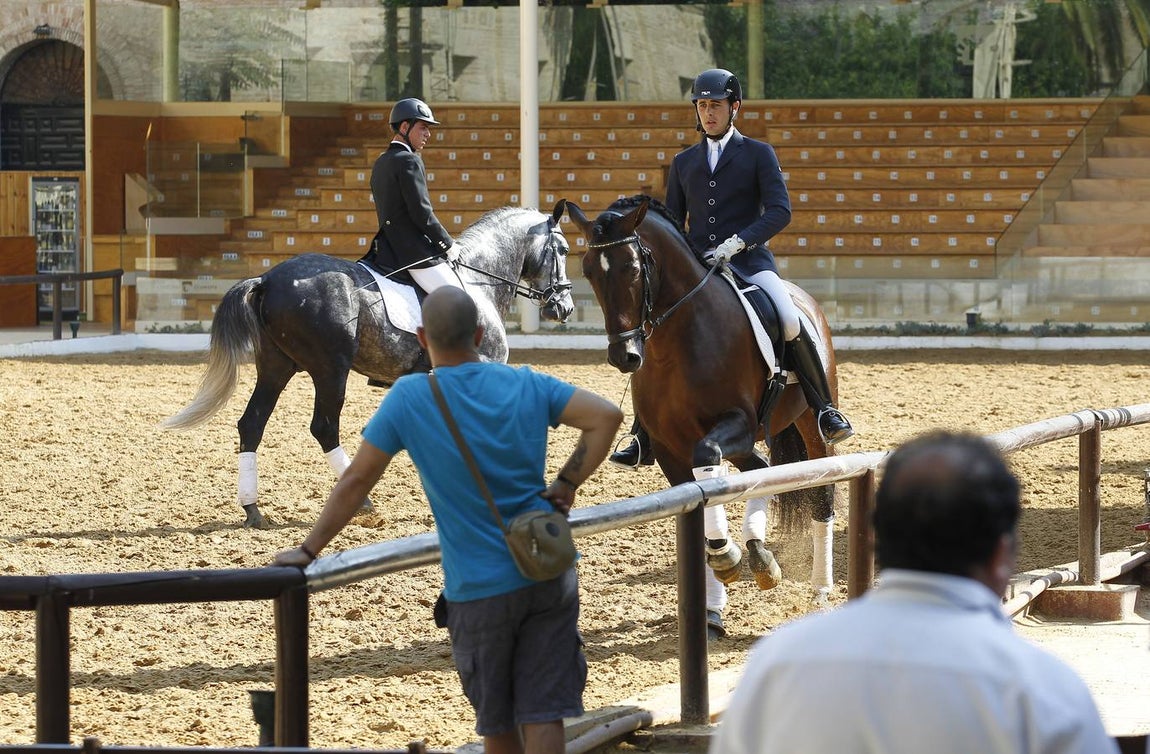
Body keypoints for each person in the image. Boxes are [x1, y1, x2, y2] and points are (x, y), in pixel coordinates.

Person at [273, 286, 624, 754]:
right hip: (547, 567)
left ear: (422, 338)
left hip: (478, 585)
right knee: (544, 714)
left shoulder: (409, 397)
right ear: (479, 334)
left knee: (498, 722)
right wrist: (566, 483)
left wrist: (309, 549)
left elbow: (356, 480)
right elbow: (607, 415)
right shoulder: (526, 382)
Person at [710, 430, 1119, 754]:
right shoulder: (1049, 691)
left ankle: (822, 407)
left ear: (872, 537)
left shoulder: (777, 662)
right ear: (1002, 551)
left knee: (797, 342)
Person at [610, 68, 852, 469]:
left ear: (734, 107)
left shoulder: (758, 153)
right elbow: (673, 222)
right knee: (656, 326)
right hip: (698, 267)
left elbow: (780, 211)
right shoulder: (684, 161)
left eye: (716, 106)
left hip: (749, 261)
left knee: (789, 317)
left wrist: (740, 241)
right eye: (702, 105)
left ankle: (824, 409)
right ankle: (643, 433)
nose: (708, 113)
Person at [364, 97, 464, 380]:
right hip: (412, 252)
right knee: (456, 299)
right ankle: (427, 364)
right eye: (423, 127)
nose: (428, 134)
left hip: (386, 249)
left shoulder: (382, 161)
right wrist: (447, 244)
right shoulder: (409, 161)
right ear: (404, 127)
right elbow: (422, 213)